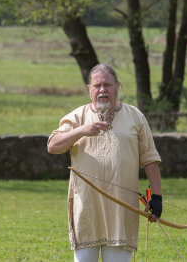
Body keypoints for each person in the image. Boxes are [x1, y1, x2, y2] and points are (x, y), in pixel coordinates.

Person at [47, 64, 162, 262]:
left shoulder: (135, 116)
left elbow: (150, 159)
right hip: (86, 208)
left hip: (122, 208)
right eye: (97, 85)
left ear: (117, 86)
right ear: (88, 89)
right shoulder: (78, 117)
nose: (102, 90)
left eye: (107, 85)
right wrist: (82, 130)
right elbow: (53, 145)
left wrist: (157, 197)